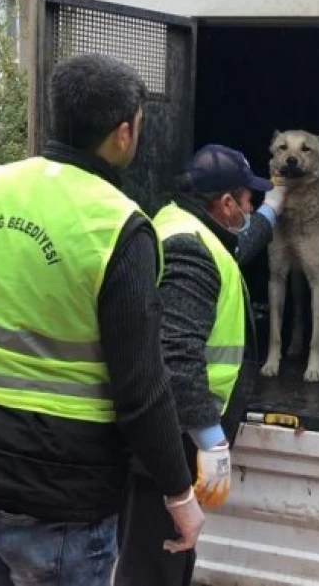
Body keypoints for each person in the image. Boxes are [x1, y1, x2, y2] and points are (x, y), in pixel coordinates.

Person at [0, 53, 203, 586]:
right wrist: (178, 492)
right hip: (58, 495)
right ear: (124, 132)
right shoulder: (115, 224)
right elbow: (141, 387)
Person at [113, 144, 285, 585]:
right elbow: (177, 355)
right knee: (155, 566)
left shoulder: (180, 224)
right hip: (172, 437)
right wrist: (210, 438)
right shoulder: (192, 250)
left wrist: (271, 211)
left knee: (166, 558)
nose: (250, 208)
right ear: (227, 203)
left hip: (170, 430)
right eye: (249, 201)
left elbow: (236, 246)